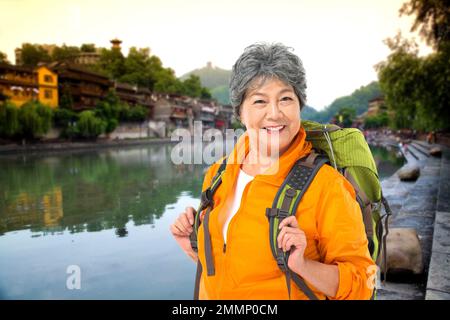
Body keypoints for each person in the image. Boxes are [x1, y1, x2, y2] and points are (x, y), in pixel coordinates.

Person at [170, 43, 375, 300]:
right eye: (259, 101)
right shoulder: (219, 174)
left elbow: (364, 285)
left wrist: (303, 266)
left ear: (299, 105)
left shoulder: (327, 186)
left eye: (286, 98)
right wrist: (191, 246)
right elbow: (232, 271)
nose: (275, 113)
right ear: (240, 113)